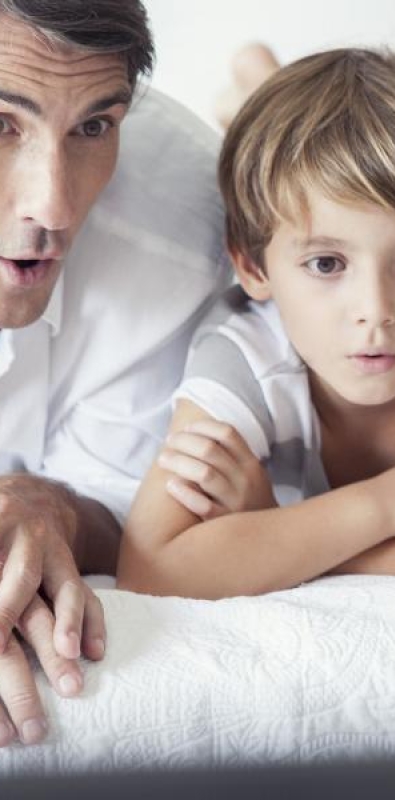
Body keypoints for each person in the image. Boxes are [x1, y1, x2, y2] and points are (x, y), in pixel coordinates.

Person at [117, 49, 395, 599]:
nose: (376, 311)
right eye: (327, 264)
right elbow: (152, 568)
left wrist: (274, 537)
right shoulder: (242, 348)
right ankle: (255, 81)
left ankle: (261, 86)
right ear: (254, 267)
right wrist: (392, 502)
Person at [0, 0, 229, 745]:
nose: (55, 205)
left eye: (94, 126)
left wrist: (47, 511)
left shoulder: (188, 234)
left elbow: (122, 499)